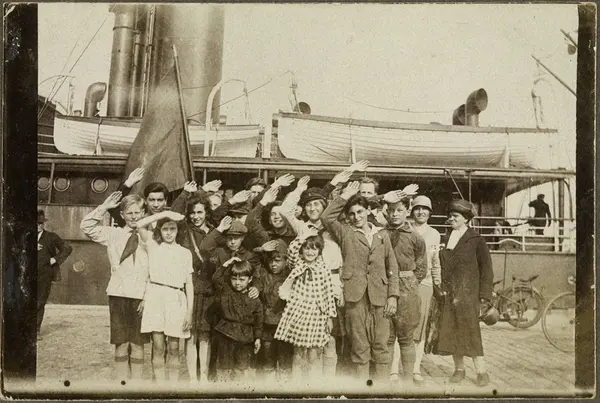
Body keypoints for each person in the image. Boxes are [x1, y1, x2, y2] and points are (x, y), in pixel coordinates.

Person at [321, 181, 400, 381]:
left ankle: (381, 391)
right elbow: (326, 217)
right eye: (352, 214)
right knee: (359, 345)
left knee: (381, 345)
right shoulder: (345, 232)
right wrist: (345, 196)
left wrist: (393, 296)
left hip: (380, 296)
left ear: (368, 211)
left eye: (360, 212)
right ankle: (363, 390)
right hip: (355, 297)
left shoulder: (382, 234)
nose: (357, 217)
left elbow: (392, 266)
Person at [80, 192, 150, 381]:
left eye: (137, 212)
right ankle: (122, 384)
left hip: (141, 297)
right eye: (129, 213)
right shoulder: (113, 234)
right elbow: (86, 226)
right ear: (122, 214)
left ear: (143, 213)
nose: (134, 216)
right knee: (121, 343)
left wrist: (147, 296)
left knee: (138, 344)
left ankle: (136, 386)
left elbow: (154, 269)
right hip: (119, 294)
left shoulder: (150, 237)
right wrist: (104, 207)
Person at [435, 199, 493, 387]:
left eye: (455, 216)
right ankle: (459, 369)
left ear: (466, 219)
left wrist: (485, 296)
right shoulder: (445, 238)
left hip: (468, 295)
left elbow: (486, 269)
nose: (451, 219)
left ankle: (481, 372)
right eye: (450, 216)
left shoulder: (476, 240)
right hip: (449, 294)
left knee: (471, 333)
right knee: (452, 331)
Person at [135, 210, 194, 382]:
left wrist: (189, 313)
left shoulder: (185, 252)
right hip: (155, 298)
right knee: (158, 347)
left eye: (172, 228)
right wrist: (165, 213)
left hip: (176, 299)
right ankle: (160, 387)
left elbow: (189, 284)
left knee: (174, 348)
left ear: (178, 230)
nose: (168, 233)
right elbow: (139, 224)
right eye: (165, 229)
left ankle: (172, 387)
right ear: (159, 230)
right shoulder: (153, 247)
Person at [275, 228, 337, 380]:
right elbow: (292, 250)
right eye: (307, 248)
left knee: (314, 352)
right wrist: (303, 236)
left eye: (314, 249)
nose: (310, 252)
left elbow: (328, 293)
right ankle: (298, 383)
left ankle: (313, 383)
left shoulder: (323, 268)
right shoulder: (298, 263)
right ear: (302, 249)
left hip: (316, 314)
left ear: (319, 251)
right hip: (299, 312)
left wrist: (329, 317)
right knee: (299, 352)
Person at [383, 193, 427, 386]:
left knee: (406, 338)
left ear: (407, 211)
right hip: (384, 289)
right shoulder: (380, 234)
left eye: (399, 210)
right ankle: (385, 381)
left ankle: (408, 382)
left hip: (407, 292)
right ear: (386, 211)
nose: (395, 214)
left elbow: (421, 268)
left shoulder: (415, 237)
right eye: (391, 210)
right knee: (386, 337)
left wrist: (409, 284)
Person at [211, 258, 263, 382]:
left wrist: (257, 338)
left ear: (250, 279)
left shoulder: (253, 297)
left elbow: (258, 320)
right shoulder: (226, 290)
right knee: (225, 368)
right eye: (234, 279)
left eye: (242, 279)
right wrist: (227, 264)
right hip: (226, 335)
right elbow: (216, 279)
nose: (237, 283)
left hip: (245, 338)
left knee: (242, 368)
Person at [407, 195, 441, 385]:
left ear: (430, 212)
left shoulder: (434, 234)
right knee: (403, 328)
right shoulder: (405, 228)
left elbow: (435, 261)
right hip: (406, 283)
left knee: (420, 330)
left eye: (425, 209)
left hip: (426, 285)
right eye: (417, 208)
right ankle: (395, 369)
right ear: (412, 211)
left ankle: (415, 369)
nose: (421, 212)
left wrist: (438, 282)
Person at [253, 239, 293, 381]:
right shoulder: (263, 273)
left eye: (277, 260)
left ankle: (284, 388)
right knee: (267, 358)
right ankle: (269, 388)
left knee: (285, 360)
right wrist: (261, 250)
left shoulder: (291, 275)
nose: (273, 264)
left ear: (286, 260)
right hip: (267, 325)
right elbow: (252, 263)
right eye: (270, 261)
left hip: (285, 325)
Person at [37, 210, 73, 335]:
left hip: (44, 274)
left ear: (43, 224)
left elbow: (67, 248)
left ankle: (36, 331)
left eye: (40, 223)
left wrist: (55, 259)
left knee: (40, 302)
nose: (38, 225)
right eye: (35, 223)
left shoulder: (51, 237)